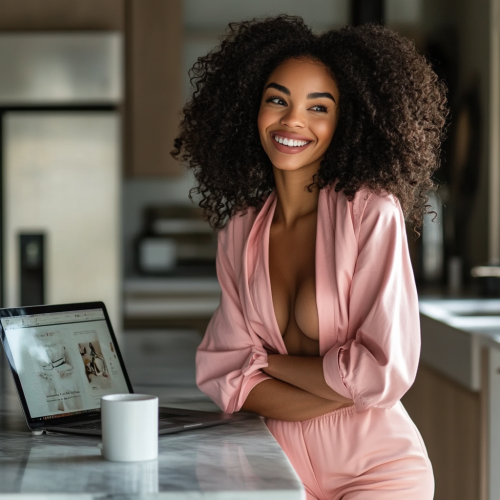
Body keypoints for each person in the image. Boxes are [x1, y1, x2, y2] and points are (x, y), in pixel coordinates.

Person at [172, 16, 447, 500]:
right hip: (269, 467)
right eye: (277, 100)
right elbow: (224, 378)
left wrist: (268, 365)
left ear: (345, 122)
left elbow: (382, 375)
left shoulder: (371, 213)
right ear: (249, 111)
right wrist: (343, 388)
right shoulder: (240, 229)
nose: (292, 121)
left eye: (318, 107)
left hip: (379, 473)